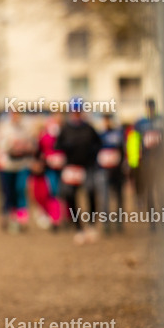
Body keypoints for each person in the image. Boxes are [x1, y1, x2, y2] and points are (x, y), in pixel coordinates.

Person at [54, 98, 102, 244]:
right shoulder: (65, 129)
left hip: (87, 167)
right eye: (74, 111)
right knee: (70, 197)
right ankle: (78, 228)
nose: (76, 114)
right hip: (71, 168)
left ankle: (92, 225)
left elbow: (98, 144)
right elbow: (57, 146)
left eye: (78, 111)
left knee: (91, 193)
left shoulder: (88, 127)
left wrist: (92, 153)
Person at [0, 109, 35, 232]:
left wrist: (26, 148)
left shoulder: (25, 129)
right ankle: (10, 216)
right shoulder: (4, 128)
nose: (16, 116)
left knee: (20, 189)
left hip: (22, 165)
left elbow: (31, 145)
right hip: (7, 165)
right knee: (8, 192)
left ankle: (22, 218)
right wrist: (11, 146)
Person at [132, 98, 164, 231]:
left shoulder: (161, 121)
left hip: (161, 161)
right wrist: (134, 162)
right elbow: (133, 143)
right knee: (150, 192)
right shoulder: (140, 123)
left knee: (162, 191)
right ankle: (153, 222)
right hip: (146, 161)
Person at [96, 113, 126, 235]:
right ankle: (106, 224)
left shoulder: (118, 134)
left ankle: (119, 222)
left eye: (108, 120)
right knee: (104, 198)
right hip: (103, 170)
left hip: (117, 170)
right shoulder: (99, 135)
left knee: (119, 197)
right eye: (105, 120)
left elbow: (123, 151)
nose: (106, 122)